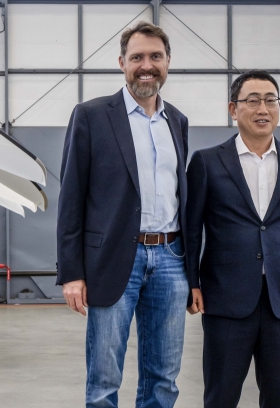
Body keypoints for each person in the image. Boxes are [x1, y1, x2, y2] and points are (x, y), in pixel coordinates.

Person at [56, 21, 190, 408]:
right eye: (137, 57)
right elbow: (71, 198)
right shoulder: (92, 116)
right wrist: (72, 273)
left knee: (164, 376)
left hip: (170, 258)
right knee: (103, 377)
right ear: (122, 62)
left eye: (155, 57)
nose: (146, 65)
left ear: (167, 63)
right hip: (113, 258)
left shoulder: (177, 122)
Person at [185, 69, 280, 408]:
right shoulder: (207, 162)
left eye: (270, 100)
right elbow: (191, 229)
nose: (262, 108)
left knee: (279, 397)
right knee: (221, 395)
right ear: (233, 109)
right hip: (225, 298)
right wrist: (191, 282)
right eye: (252, 100)